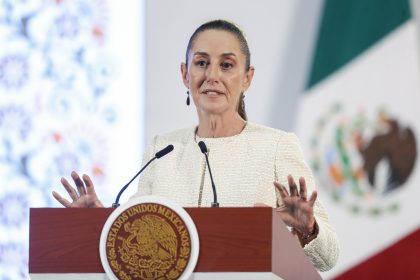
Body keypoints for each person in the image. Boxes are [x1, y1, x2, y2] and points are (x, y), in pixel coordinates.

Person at [52, 19, 339, 271]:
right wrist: (98, 223)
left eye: (226, 65)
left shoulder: (276, 146)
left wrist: (308, 229)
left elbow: (328, 258)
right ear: (185, 74)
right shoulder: (162, 149)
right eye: (201, 63)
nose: (212, 75)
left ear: (247, 78)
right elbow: (135, 233)